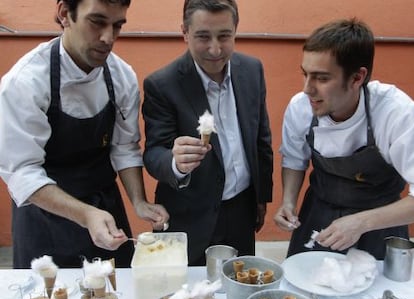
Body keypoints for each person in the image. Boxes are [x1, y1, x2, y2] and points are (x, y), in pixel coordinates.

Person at [0, 0, 169, 268]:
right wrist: (85, 214)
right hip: (44, 217)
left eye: (117, 26)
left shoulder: (121, 76)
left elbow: (124, 147)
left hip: (104, 205)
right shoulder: (25, 83)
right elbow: (22, 173)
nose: (108, 38)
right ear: (65, 14)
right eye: (97, 22)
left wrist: (139, 201)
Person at [142, 0, 273, 265]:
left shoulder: (252, 70)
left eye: (224, 36)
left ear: (235, 30)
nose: (215, 49)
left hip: (241, 208)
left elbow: (261, 138)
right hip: (189, 215)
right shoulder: (162, 84)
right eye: (203, 36)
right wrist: (175, 162)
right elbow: (154, 152)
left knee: (238, 284)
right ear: (185, 32)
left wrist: (262, 198)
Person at [274, 18, 414, 260]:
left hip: (380, 224)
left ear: (357, 78)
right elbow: (295, 160)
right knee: (304, 292)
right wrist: (288, 201)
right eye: (305, 74)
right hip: (318, 213)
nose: (308, 88)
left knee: (375, 296)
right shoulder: (301, 107)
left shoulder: (396, 113)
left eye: (322, 78)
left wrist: (361, 222)